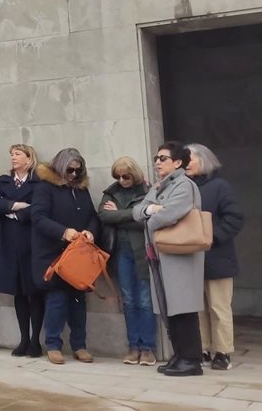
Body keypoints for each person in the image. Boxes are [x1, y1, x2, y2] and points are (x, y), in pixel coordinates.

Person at [134, 142, 206, 377]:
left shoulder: (184, 185)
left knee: (183, 307)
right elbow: (138, 211)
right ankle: (180, 354)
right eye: (157, 157)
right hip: (162, 253)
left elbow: (170, 214)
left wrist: (153, 214)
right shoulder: (161, 186)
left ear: (177, 163)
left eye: (163, 158)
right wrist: (151, 210)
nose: (157, 162)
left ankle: (191, 359)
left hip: (180, 253)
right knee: (169, 307)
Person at [32, 148, 100, 365]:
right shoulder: (45, 188)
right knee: (57, 300)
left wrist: (90, 231)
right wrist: (63, 232)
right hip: (54, 253)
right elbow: (38, 217)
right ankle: (53, 345)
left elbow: (93, 217)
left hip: (79, 255)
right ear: (61, 167)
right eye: (69, 170)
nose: (72, 175)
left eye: (77, 172)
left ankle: (80, 345)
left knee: (79, 302)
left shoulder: (81, 189)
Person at [186, 143, 244, 371]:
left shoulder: (220, 187)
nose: (186, 163)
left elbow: (235, 218)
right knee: (197, 307)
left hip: (218, 257)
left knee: (219, 308)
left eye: (189, 158)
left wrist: (212, 237)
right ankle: (202, 348)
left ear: (204, 160)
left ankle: (223, 352)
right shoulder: (185, 187)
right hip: (191, 257)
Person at [98, 157, 156, 366]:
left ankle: (148, 347)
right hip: (121, 251)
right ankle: (134, 347)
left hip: (142, 251)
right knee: (129, 301)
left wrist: (121, 215)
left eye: (126, 176)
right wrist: (133, 215)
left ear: (134, 174)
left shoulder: (148, 190)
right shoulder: (111, 192)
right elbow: (104, 216)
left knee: (145, 301)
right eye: (118, 177)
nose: (122, 180)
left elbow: (147, 221)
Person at [0, 144, 44, 357]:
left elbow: (39, 207)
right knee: (19, 293)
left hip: (32, 243)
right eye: (11, 154)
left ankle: (35, 340)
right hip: (10, 243)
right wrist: (17, 205)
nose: (13, 157)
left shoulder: (39, 182)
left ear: (29, 158)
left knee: (35, 292)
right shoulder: (3, 181)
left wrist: (13, 210)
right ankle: (23, 339)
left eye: (18, 154)